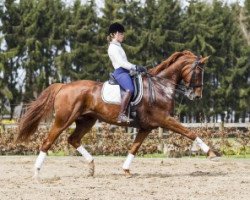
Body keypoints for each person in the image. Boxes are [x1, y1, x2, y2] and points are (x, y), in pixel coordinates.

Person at [107, 22, 146, 123]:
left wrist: (136, 68)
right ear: (114, 34)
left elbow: (126, 62)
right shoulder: (113, 47)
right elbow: (121, 63)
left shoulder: (118, 46)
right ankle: (121, 115)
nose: (123, 36)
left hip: (126, 71)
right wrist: (135, 66)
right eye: (121, 34)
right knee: (130, 90)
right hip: (120, 72)